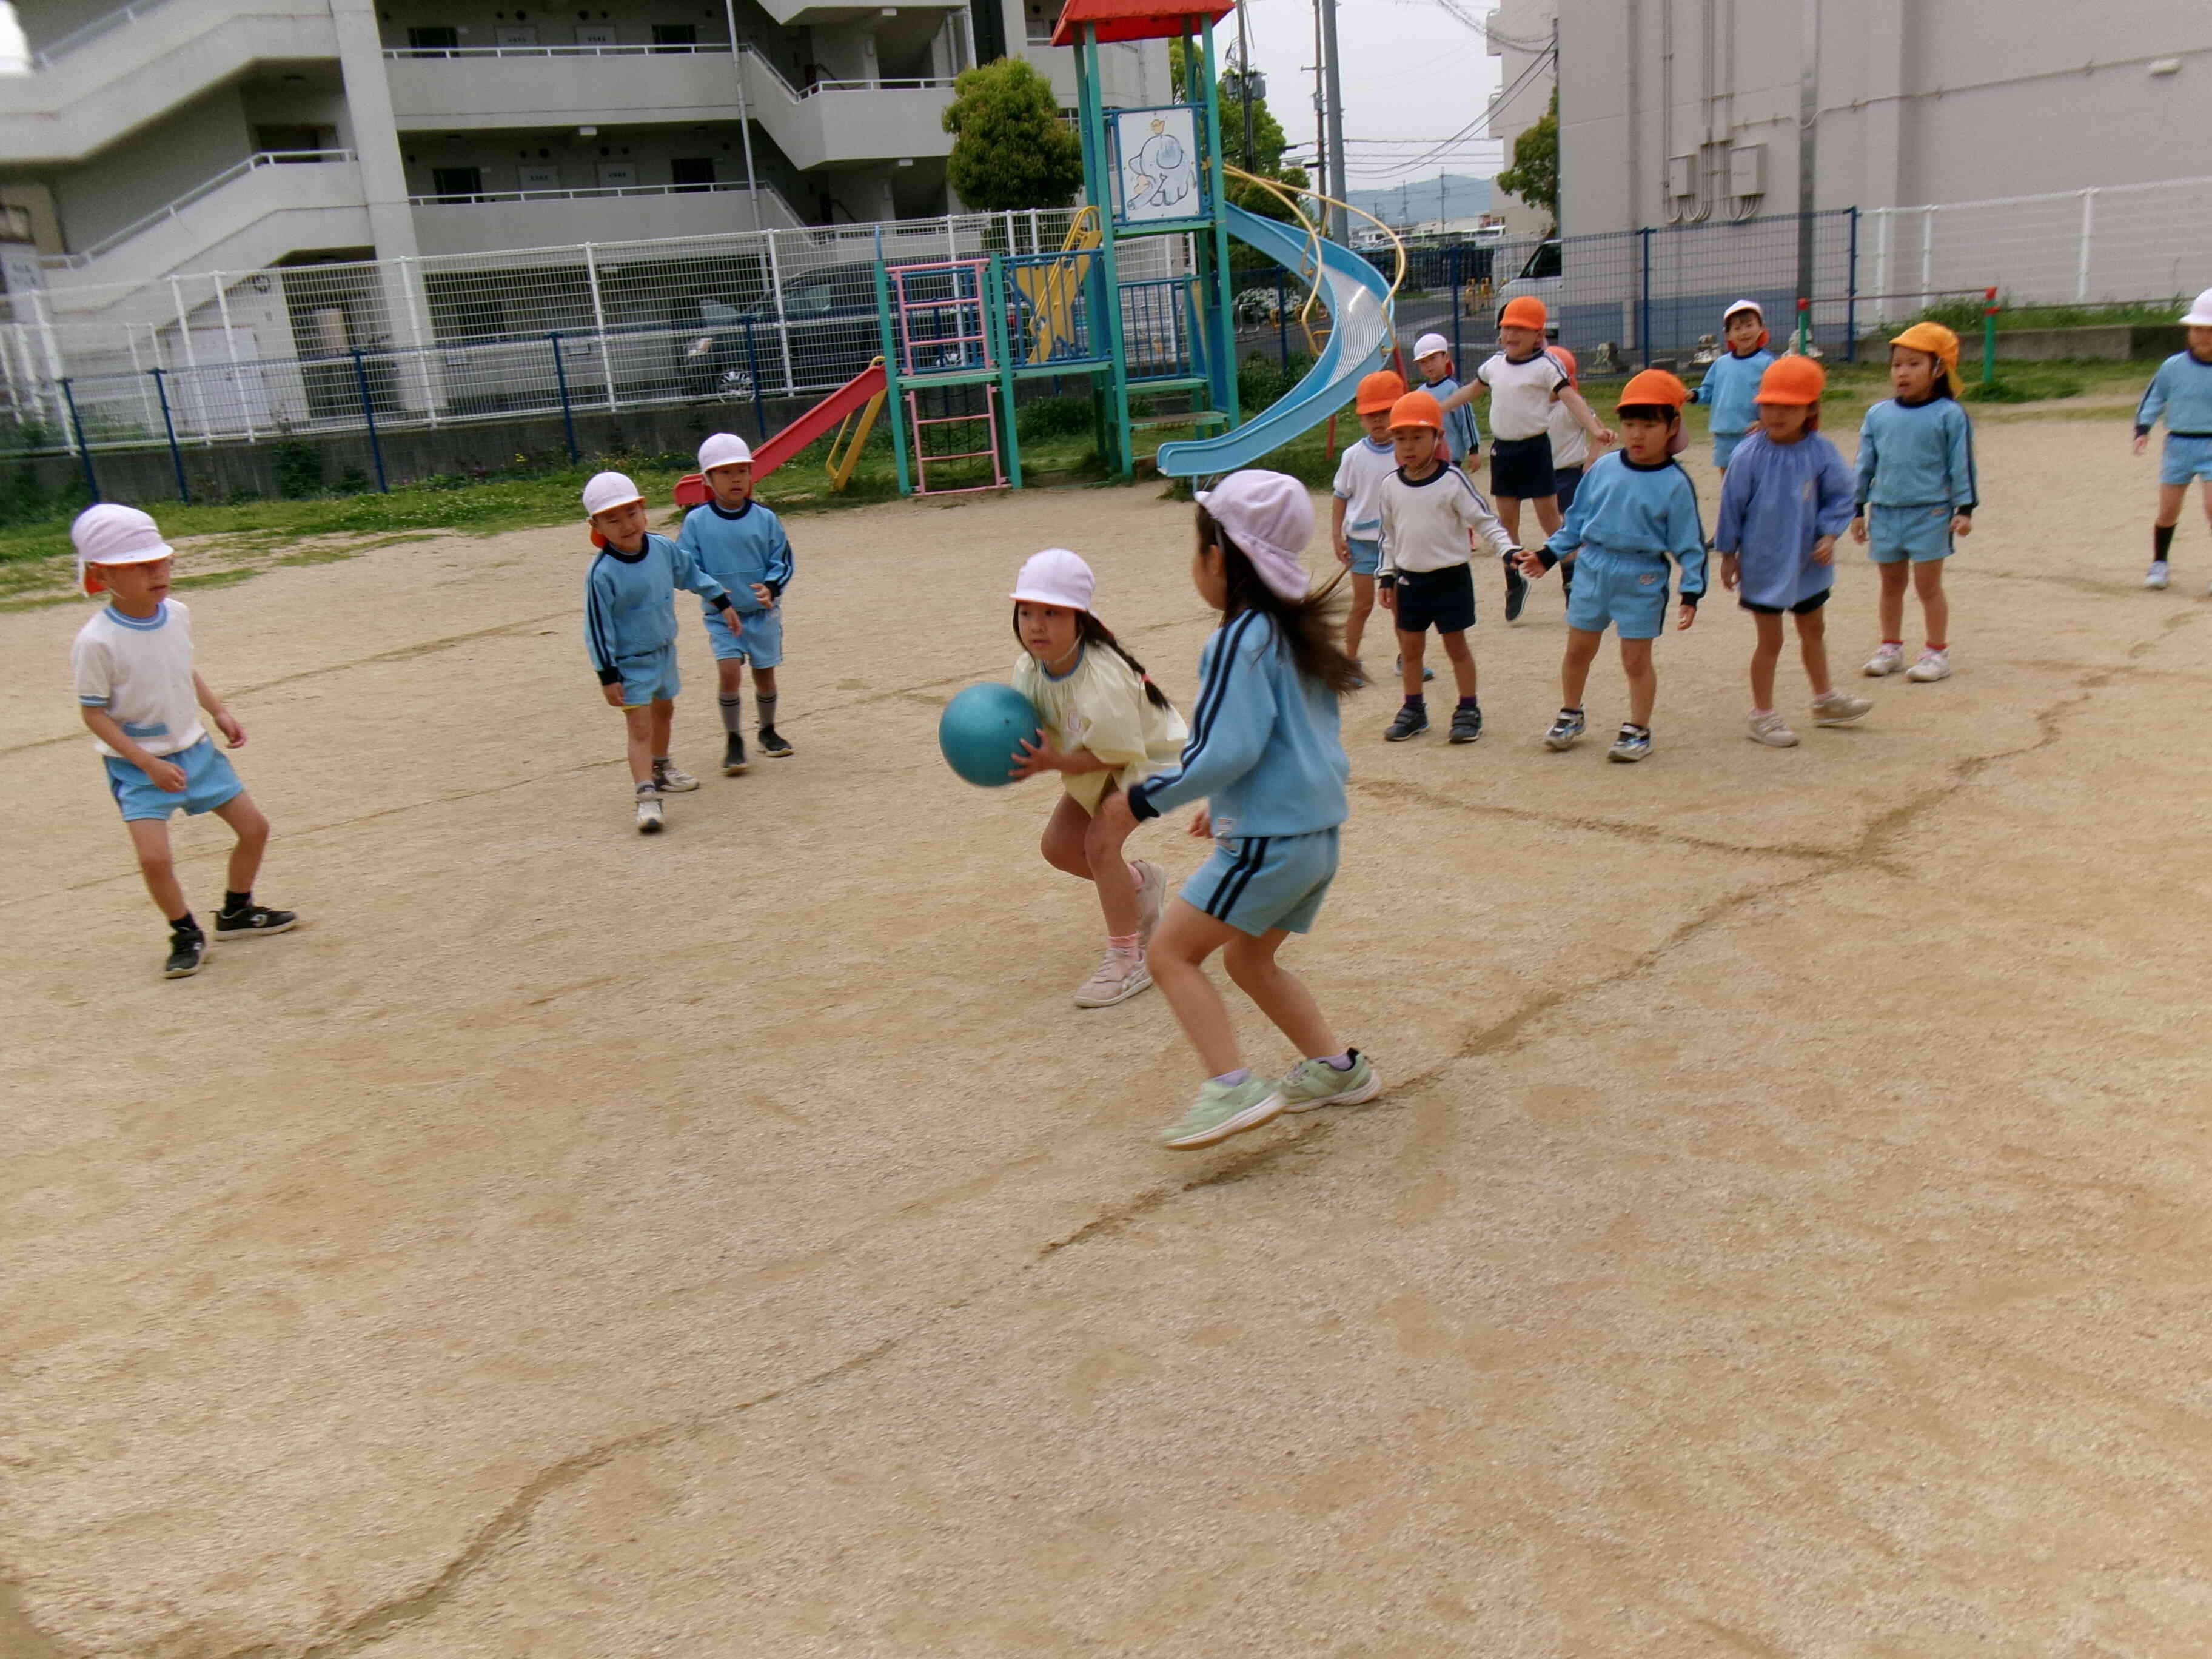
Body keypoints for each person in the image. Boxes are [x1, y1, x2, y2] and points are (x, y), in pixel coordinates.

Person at [1091, 471, 1378, 1151]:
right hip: (1314, 839)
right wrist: (1226, 803)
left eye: (1197, 553)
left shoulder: (1236, 641)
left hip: (1268, 843)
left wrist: (1139, 800)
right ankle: (1338, 1069)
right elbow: (1286, 745)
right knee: (1251, 961)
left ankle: (1230, 1087)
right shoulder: (1293, 635)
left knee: (1169, 953)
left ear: (1219, 558)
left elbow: (1229, 747)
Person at [69, 504, 297, 979]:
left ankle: (236, 912)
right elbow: (93, 714)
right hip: (138, 767)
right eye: (139, 566)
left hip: (196, 752)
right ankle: (184, 931)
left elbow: (181, 669)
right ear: (102, 575)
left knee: (255, 829)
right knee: (154, 859)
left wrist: (218, 711)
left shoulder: (176, 614)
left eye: (162, 561)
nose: (158, 573)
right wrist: (146, 764)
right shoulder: (96, 642)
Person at [1005, 547, 1187, 1009]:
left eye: (1052, 612)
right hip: (1096, 760)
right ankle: (1140, 884)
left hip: (1151, 762)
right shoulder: (1029, 669)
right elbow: (1031, 725)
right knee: (1059, 848)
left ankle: (1129, 958)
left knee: (1100, 845)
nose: (1037, 625)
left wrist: (1053, 763)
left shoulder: (1102, 677)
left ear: (1081, 619)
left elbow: (1117, 755)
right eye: (1027, 612)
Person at [1516, 369, 1705, 763]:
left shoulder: (1675, 483)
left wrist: (1692, 592)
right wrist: (1548, 556)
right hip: (1593, 568)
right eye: (1630, 423)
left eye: (1649, 425)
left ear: (1672, 426)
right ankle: (1571, 713)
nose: (1637, 434)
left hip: (1643, 576)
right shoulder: (1603, 469)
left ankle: (1638, 729)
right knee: (1577, 651)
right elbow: (1577, 522)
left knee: (1635, 659)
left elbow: (1689, 546)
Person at [1714, 356, 1874, 746]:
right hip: (1764, 563)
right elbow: (1731, 506)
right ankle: (1762, 715)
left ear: (1812, 409)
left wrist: (1830, 535)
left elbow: (1841, 496)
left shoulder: (1820, 451)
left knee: (1814, 629)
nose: (1777, 414)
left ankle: (1824, 700)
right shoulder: (1747, 454)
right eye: (1770, 405)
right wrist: (1729, 554)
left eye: (1789, 406)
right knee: (1771, 641)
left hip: (1807, 562)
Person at [581, 471, 748, 833]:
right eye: (613, 519)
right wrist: (607, 675)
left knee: (665, 710)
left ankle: (660, 768)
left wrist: (720, 599)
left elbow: (690, 573)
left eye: (631, 513)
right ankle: (646, 798)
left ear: (644, 510)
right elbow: (597, 628)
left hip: (663, 652)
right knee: (639, 727)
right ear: (596, 525)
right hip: (628, 665)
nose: (626, 525)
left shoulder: (661, 548)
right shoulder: (602, 574)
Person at [1435, 297, 1614, 621]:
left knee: (1550, 519)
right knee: (1507, 522)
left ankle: (1571, 578)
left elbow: (1570, 397)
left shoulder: (1547, 366)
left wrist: (1594, 429)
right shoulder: (1494, 366)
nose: (1511, 335)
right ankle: (1513, 580)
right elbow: (1470, 392)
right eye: (1506, 328)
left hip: (1535, 450)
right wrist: (1435, 410)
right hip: (1504, 452)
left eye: (1520, 329)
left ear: (1538, 334)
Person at [1376, 390, 1521, 745]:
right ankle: (1414, 709)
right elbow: (1388, 536)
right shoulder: (1391, 486)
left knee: (1456, 647)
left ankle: (1468, 708)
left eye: (1418, 437)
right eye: (1401, 438)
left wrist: (1506, 548)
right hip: (1410, 581)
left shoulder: (1453, 480)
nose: (1408, 446)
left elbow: (1485, 520)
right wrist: (1386, 574)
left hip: (1450, 579)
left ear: (1438, 438)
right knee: (1410, 650)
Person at [1851, 322, 1977, 682]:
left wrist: (1964, 510)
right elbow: (1865, 464)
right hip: (1886, 511)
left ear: (1939, 369)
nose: (1902, 372)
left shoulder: (1950, 415)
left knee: (1927, 585)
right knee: (1890, 584)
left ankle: (1937, 653)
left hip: (1931, 512)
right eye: (1896, 364)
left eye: (1914, 364)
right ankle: (1890, 647)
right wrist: (1857, 508)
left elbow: (1961, 465)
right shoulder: (1878, 415)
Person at [678, 432, 796, 774]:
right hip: (722, 616)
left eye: (742, 471)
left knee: (764, 675)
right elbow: (686, 564)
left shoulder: (765, 518)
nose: (736, 479)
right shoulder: (697, 522)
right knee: (729, 673)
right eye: (726, 472)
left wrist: (772, 587)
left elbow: (782, 558)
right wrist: (711, 591)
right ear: (708, 479)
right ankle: (733, 738)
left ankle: (768, 731)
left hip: (762, 614)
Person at [1410, 330, 1515, 617]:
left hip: (1452, 455)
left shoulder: (1454, 389)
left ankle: (1466, 535)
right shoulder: (1420, 394)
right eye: (1423, 362)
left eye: (1433, 359)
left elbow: (1466, 418)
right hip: (1428, 457)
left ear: (1446, 359)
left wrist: (1472, 448)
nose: (1429, 366)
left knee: (1458, 499)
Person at [2134, 287, 2212, 592]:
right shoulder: (2173, 367)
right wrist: (2143, 428)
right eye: (2197, 329)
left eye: (2209, 330)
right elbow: (2154, 398)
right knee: (2168, 511)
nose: (2203, 336)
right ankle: (2159, 563)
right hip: (2178, 445)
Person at [1330, 369, 1404, 679]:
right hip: (1361, 541)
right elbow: (1340, 496)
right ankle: (1350, 661)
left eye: (1385, 412)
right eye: (1370, 414)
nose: (1378, 420)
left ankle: (1408, 658)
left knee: (1402, 606)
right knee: (1362, 604)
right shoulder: (1352, 456)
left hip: (1398, 542)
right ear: (1361, 418)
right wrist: (1336, 535)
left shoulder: (1407, 451)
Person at [1688, 298, 1775, 472]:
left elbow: (1774, 398)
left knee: (1755, 478)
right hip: (1723, 434)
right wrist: (1693, 395)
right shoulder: (1721, 364)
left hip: (1754, 433)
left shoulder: (1768, 363)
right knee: (1728, 479)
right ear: (1727, 335)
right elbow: (1709, 392)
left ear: (1761, 327)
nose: (1744, 332)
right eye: (1737, 328)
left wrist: (1765, 422)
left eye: (1749, 325)